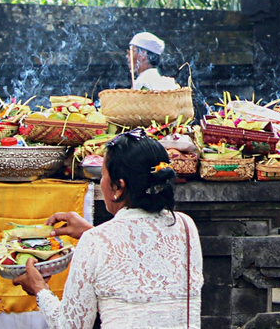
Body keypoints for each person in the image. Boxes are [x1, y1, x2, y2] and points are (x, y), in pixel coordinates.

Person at [12, 127, 204, 329]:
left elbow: (70, 326)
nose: (101, 182)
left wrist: (40, 289)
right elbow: (139, 253)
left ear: (118, 186)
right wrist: (92, 233)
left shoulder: (95, 241)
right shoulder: (185, 226)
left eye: (102, 175)